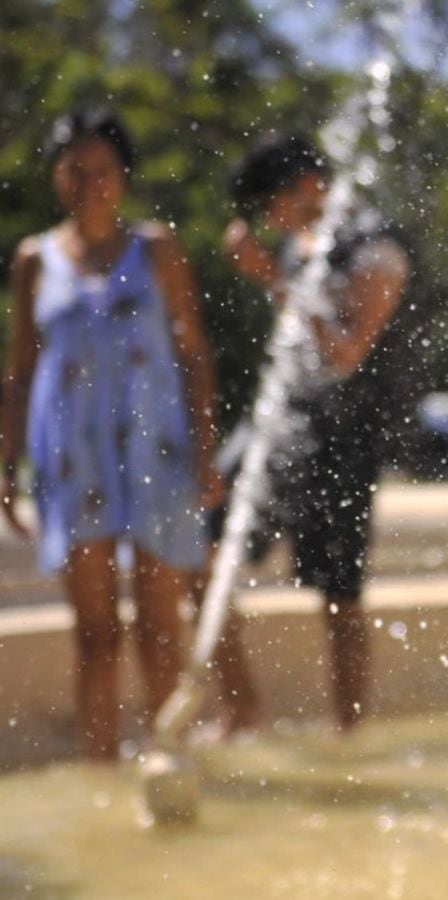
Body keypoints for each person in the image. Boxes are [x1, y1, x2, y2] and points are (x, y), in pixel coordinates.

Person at [0, 109, 222, 760]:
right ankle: (100, 772)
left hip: (157, 451)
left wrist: (207, 454)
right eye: (75, 169)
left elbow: (194, 355)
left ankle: (167, 765)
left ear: (123, 176)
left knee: (160, 627)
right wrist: (7, 463)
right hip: (74, 460)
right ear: (56, 175)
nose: (89, 183)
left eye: (102, 170)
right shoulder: (35, 260)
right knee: (95, 635)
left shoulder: (157, 250)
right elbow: (21, 370)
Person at [216, 134, 414, 731]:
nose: (270, 219)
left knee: (339, 595)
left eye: (270, 204)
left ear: (307, 185)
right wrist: (276, 275)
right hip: (281, 424)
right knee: (201, 541)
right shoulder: (300, 246)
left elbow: (348, 354)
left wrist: (272, 280)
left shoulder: (376, 249)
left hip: (344, 437)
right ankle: (242, 709)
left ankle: (348, 734)